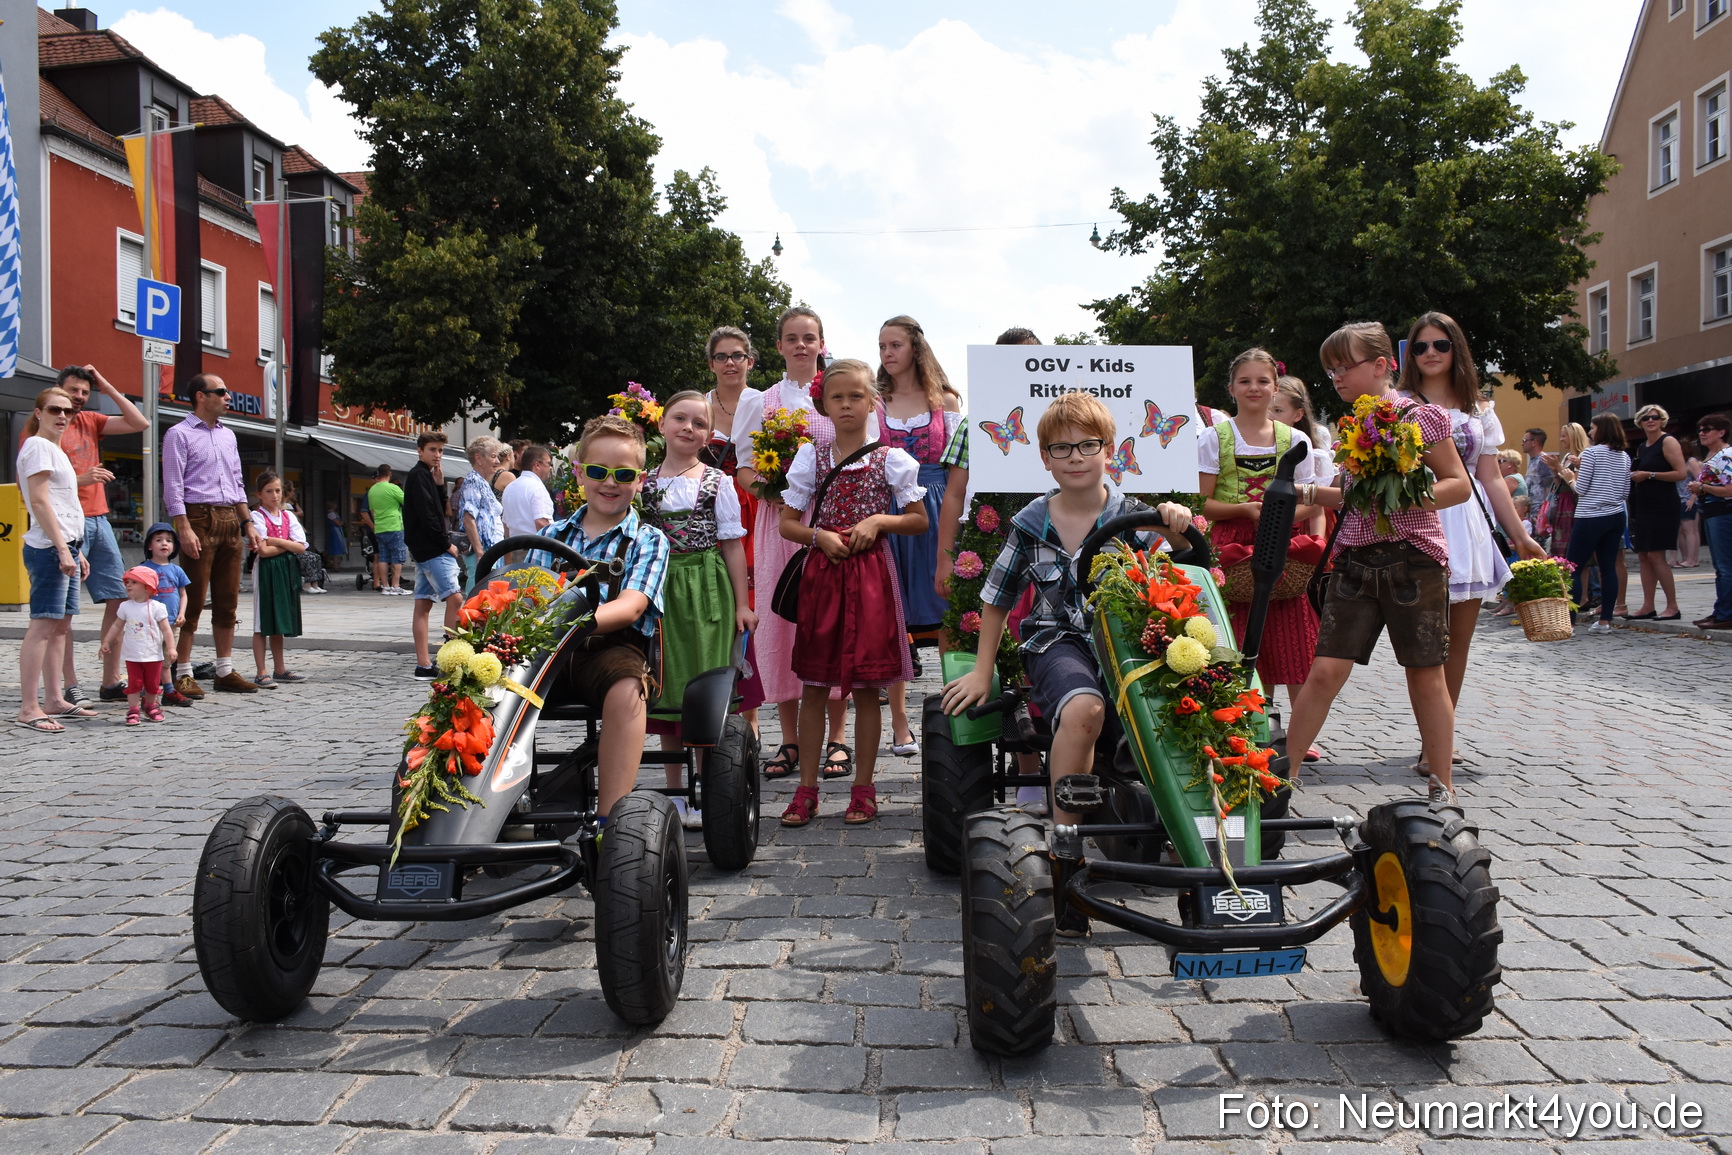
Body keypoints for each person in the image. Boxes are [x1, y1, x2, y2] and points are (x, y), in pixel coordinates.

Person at [940, 390, 1193, 931]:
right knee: (1084, 707)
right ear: (1045, 459)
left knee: (1189, 702)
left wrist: (1175, 526)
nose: (1076, 457)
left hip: (1131, 643)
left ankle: (1194, 833)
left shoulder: (1135, 516)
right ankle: (1065, 851)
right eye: (1062, 449)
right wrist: (982, 672)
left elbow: (1177, 579)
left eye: (1087, 445)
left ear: (1110, 451)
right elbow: (996, 600)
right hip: (1059, 642)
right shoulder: (1032, 523)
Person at [1276, 322, 1472, 806]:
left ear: (1382, 366)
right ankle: (1281, 781)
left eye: (1345, 366)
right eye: (1331, 369)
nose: (1337, 377)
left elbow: (1458, 485)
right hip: (1355, 564)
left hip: (1414, 561)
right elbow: (1353, 496)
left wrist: (1408, 497)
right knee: (1323, 672)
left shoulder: (1420, 417)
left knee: (1425, 674)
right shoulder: (1353, 425)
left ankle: (1441, 788)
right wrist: (1298, 492)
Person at [778, 360, 929, 827]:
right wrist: (818, 536)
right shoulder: (810, 457)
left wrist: (880, 520)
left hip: (871, 580)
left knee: (867, 689)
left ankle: (863, 790)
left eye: (856, 397)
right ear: (823, 404)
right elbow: (787, 523)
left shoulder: (892, 459)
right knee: (814, 687)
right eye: (837, 397)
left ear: (872, 402)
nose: (846, 405)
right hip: (824, 576)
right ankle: (806, 789)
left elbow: (919, 520)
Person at [1397, 313, 1544, 773]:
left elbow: (1492, 479)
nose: (1431, 354)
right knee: (1425, 644)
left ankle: (1437, 744)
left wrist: (1520, 537)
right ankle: (1431, 740)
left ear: (1456, 349)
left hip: (1470, 525)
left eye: (1440, 344)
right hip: (1420, 519)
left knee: (1456, 643)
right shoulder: (1397, 403)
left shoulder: (1481, 409)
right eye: (1420, 347)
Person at [733, 306, 853, 781]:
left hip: (833, 518)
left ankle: (839, 738)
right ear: (779, 346)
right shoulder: (759, 401)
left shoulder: (841, 392)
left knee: (832, 622)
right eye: (792, 338)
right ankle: (790, 740)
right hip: (780, 521)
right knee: (782, 625)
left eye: (810, 337)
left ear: (822, 343)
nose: (801, 345)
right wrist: (779, 489)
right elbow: (744, 468)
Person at [536, 415, 671, 821]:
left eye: (623, 474)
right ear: (579, 473)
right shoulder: (553, 536)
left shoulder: (647, 540)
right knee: (495, 687)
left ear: (640, 480)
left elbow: (632, 605)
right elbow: (527, 595)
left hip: (611, 648)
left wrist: (575, 621)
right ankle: (496, 799)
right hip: (548, 649)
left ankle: (611, 817)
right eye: (598, 471)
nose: (609, 483)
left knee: (627, 688)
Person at [642, 393, 759, 828]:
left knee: (706, 690)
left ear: (708, 434)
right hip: (661, 588)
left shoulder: (717, 481)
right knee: (667, 688)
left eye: (697, 422)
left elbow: (731, 545)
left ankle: (714, 788)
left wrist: (743, 604)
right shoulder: (644, 483)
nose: (688, 428)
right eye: (679, 419)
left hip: (708, 587)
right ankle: (675, 792)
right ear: (662, 425)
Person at [1200, 349, 1323, 735]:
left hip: (1283, 541)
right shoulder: (1212, 438)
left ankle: (1300, 734)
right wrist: (1245, 509)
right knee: (1235, 638)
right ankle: (1244, 723)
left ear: (1275, 388)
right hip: (1231, 543)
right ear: (1232, 388)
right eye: (1245, 381)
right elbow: (1202, 503)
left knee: (1294, 640)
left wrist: (1276, 515)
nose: (1254, 388)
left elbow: (1310, 498)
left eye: (1263, 381)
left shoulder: (1296, 439)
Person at [877, 315, 961, 758]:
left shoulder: (944, 400)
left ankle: (953, 709)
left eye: (895, 345)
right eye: (882, 347)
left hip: (938, 505)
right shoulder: (877, 403)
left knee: (945, 610)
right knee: (893, 613)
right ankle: (899, 721)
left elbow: (958, 468)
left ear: (915, 348)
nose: (887, 354)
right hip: (892, 511)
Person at [41, 365, 147, 706]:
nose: (79, 397)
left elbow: (139, 422)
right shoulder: (41, 427)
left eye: (85, 392)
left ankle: (110, 681)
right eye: (73, 390)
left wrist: (105, 383)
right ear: (58, 389)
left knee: (119, 597)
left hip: (100, 520)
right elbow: (37, 486)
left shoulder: (90, 419)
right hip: (67, 521)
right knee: (64, 611)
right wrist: (80, 479)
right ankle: (70, 683)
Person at [161, 374, 263, 697]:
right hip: (198, 516)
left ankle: (224, 669)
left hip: (229, 517)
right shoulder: (179, 434)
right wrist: (183, 525)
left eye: (227, 391)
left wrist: (248, 522)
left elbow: (237, 482)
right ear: (200, 397)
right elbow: (173, 485)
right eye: (221, 391)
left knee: (227, 599)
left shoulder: (228, 436)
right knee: (191, 598)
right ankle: (184, 671)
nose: (228, 396)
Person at [14, 387, 95, 732]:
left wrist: (76, 548)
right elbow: (40, 502)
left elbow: (64, 503)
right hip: (49, 548)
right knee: (43, 627)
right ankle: (29, 707)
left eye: (68, 411)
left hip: (65, 546)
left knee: (61, 626)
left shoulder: (54, 449)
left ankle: (55, 699)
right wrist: (63, 548)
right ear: (38, 413)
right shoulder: (37, 447)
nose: (62, 415)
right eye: (54, 409)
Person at [1565, 414, 1632, 634]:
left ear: (1601, 430)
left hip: (1590, 515)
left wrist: (1569, 477)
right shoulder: (1624, 456)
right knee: (1608, 567)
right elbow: (1624, 492)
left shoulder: (1591, 453)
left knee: (1574, 566)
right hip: (1615, 515)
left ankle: (1571, 622)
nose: (1590, 432)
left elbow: (1581, 489)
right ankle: (1605, 621)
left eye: (1592, 428)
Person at [405, 432, 465, 679]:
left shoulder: (427, 476)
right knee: (455, 599)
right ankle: (451, 658)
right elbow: (428, 516)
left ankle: (423, 664)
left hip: (424, 548)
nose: (437, 455)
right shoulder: (418, 475)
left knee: (423, 604)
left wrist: (441, 487)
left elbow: (441, 510)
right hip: (431, 548)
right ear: (420, 450)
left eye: (440, 450)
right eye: (432, 449)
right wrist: (446, 544)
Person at [1623, 403, 1687, 620]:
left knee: (1656, 555)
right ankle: (1647, 605)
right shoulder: (1642, 447)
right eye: (1647, 418)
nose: (1651, 421)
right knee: (1643, 555)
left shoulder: (1667, 441)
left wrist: (1649, 475)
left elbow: (1681, 473)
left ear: (1663, 420)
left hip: (1663, 504)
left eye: (1656, 417)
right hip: (1644, 504)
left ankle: (1672, 606)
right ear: (1640, 422)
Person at [248, 471, 309, 688]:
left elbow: (301, 547)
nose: (275, 495)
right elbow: (262, 551)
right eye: (269, 491)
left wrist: (274, 540)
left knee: (279, 619)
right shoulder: (256, 516)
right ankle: (261, 671)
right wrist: (285, 544)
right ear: (259, 494)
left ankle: (280, 669)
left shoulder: (288, 516)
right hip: (265, 570)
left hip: (285, 569)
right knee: (262, 620)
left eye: (278, 490)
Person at [99, 566, 174, 725]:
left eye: (134, 582)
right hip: (133, 655)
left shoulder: (157, 608)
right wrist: (106, 641)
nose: (128, 585)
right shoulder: (125, 607)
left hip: (153, 655)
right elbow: (116, 626)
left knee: (152, 684)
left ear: (147, 587)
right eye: (127, 582)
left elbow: (166, 630)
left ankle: (150, 705)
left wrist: (172, 648)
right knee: (135, 683)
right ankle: (133, 710)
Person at [139, 522, 194, 707]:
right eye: (159, 540)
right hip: (149, 624)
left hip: (171, 623)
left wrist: (182, 614)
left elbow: (183, 594)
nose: (164, 543)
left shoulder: (176, 570)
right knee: (147, 658)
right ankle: (147, 690)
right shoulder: (144, 569)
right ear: (149, 545)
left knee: (166, 659)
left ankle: (168, 691)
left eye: (169, 541)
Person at [1269, 375, 1332, 538]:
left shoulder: (1308, 451)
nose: (1270, 416)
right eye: (1265, 409)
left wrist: (1316, 545)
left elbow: (1317, 510)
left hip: (1299, 531)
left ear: (1297, 415)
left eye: (1277, 410)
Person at [1688, 413, 1732, 629]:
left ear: (1721, 432)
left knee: (1725, 566)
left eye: (1708, 429)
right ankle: (1721, 611)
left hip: (1723, 513)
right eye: (1700, 430)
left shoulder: (1726, 456)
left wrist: (1702, 487)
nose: (1702, 433)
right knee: (1720, 567)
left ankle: (1726, 614)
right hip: (1713, 514)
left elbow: (1729, 490)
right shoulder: (1712, 456)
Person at [458, 436, 506, 582]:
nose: (498, 461)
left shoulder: (482, 482)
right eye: (493, 456)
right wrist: (480, 552)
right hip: (483, 551)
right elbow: (468, 519)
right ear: (478, 458)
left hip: (490, 550)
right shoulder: (473, 480)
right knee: (479, 593)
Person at [367, 464, 407, 594]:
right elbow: (407, 501)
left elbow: (372, 511)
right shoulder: (393, 488)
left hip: (379, 527)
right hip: (394, 525)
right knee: (397, 556)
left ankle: (385, 586)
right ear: (389, 474)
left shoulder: (372, 490)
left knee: (383, 557)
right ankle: (395, 586)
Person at [501, 444, 555, 539]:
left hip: (514, 547)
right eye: (548, 464)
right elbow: (541, 522)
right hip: (534, 548)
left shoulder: (510, 487)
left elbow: (506, 526)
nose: (550, 468)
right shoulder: (537, 488)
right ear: (537, 465)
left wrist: (507, 552)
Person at [1672, 439, 1702, 569]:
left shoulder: (1691, 462)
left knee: (1690, 530)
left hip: (1688, 499)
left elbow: (1700, 479)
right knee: (1683, 530)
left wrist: (1693, 497)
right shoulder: (1681, 463)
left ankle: (1691, 559)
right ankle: (1687, 558)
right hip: (1681, 499)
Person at [1521, 428, 1554, 506]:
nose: (1521, 443)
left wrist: (1544, 511)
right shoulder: (1532, 460)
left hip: (1539, 509)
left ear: (1534, 442)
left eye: (1524, 440)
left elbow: (1549, 487)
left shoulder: (1544, 460)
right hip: (1531, 509)